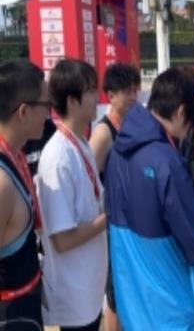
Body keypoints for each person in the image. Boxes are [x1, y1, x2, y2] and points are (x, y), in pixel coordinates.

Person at [104, 68, 194, 330]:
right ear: (180, 112)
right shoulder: (167, 162)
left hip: (133, 302)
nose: (187, 133)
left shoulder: (117, 151)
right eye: (190, 124)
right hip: (169, 305)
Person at [36, 59, 107, 331]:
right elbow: (63, 240)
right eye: (90, 91)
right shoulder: (58, 157)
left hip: (88, 287)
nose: (97, 97)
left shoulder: (79, 142)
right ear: (72, 101)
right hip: (74, 293)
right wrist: (108, 217)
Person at [88, 62, 140, 331]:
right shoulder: (103, 133)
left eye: (134, 90)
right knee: (115, 292)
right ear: (110, 95)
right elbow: (87, 183)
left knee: (125, 287)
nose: (133, 96)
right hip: (112, 226)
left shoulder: (130, 126)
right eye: (126, 91)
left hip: (128, 223)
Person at [0, 60, 49, 330]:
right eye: (45, 105)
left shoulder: (15, 155)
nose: (49, 113)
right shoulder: (2, 183)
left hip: (26, 307)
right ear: (23, 111)